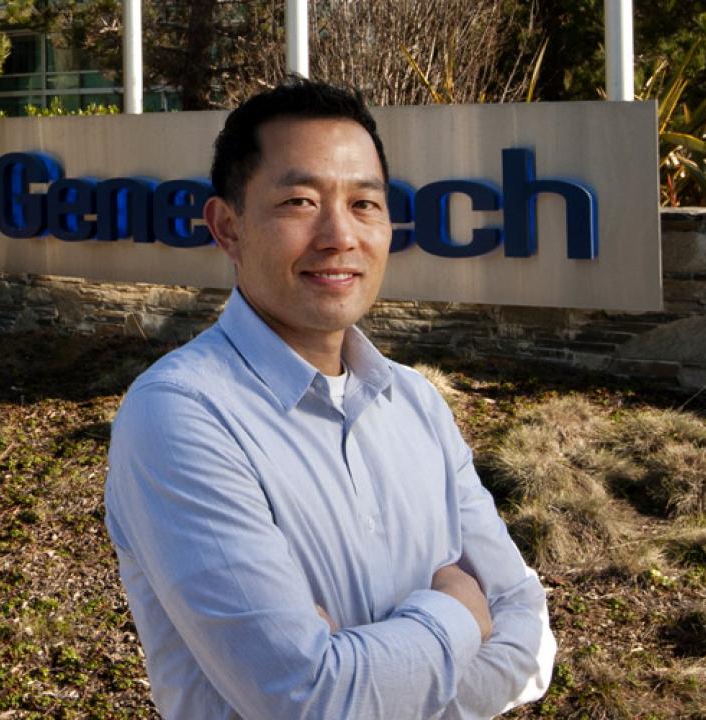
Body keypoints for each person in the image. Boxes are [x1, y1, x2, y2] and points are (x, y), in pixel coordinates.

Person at [105, 78, 555, 719]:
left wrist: (361, 668)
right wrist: (457, 612)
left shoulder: (417, 404)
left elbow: (529, 637)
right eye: (299, 200)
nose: (339, 235)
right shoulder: (180, 416)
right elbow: (307, 700)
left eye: (365, 204)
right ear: (227, 228)